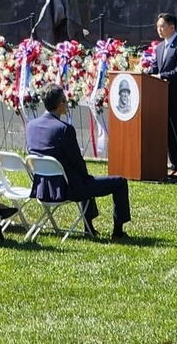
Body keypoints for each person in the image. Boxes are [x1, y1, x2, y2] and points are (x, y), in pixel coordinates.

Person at [26, 86, 131, 240]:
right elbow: (77, 163)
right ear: (60, 104)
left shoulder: (31, 126)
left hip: (42, 188)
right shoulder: (64, 129)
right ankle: (118, 232)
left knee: (82, 178)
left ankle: (89, 227)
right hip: (66, 189)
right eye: (65, 100)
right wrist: (86, 177)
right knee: (119, 182)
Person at [150, 12, 177, 178]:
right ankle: (175, 164)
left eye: (162, 26)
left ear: (172, 27)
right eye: (158, 26)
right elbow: (156, 68)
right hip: (162, 97)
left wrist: (161, 76)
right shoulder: (160, 47)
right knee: (168, 132)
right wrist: (146, 72)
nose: (159, 29)